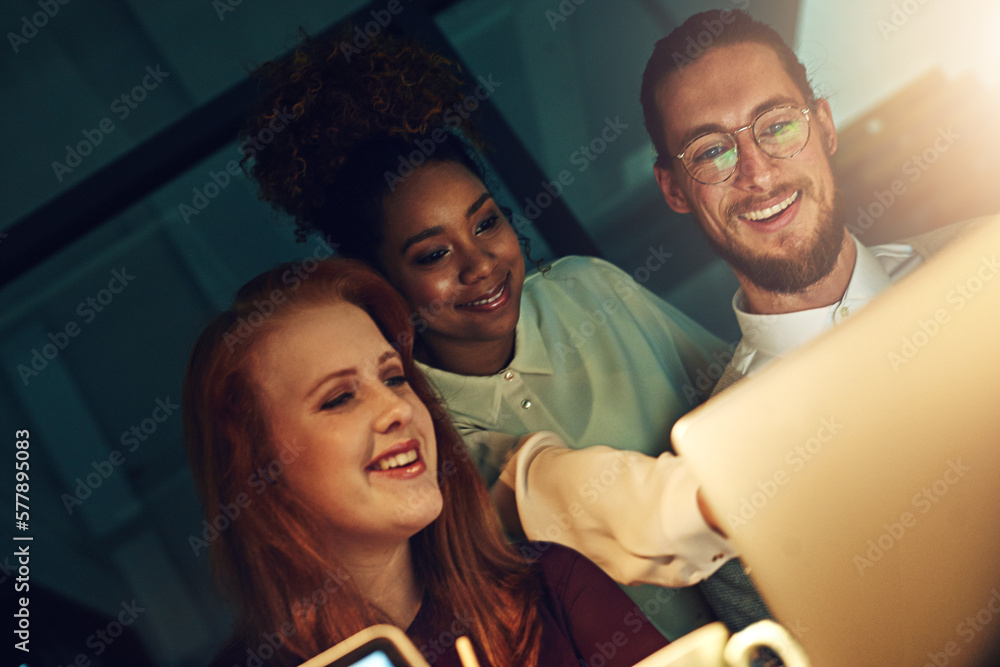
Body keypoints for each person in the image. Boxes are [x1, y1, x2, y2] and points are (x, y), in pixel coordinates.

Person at [241, 30, 736, 636]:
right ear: (380, 281)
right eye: (432, 255)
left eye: (486, 223)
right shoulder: (415, 426)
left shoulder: (590, 290)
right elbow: (570, 494)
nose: (480, 265)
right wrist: (740, 494)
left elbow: (740, 392)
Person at [638, 8, 983, 631]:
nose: (758, 173)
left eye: (776, 125)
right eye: (712, 151)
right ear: (673, 190)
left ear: (823, 125)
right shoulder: (715, 482)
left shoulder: (985, 260)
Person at [182, 258, 670, 667]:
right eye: (340, 398)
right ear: (260, 464)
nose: (398, 409)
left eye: (393, 377)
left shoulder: (552, 586)